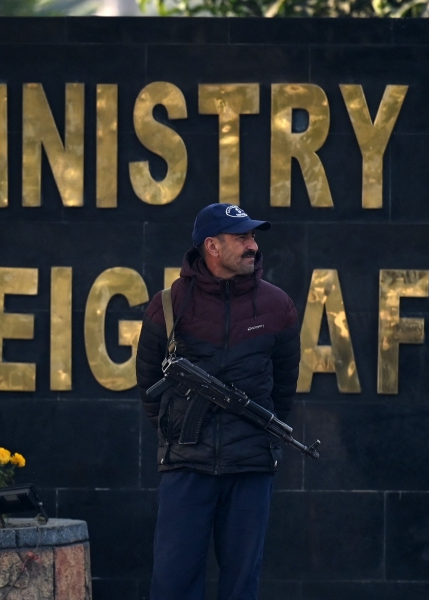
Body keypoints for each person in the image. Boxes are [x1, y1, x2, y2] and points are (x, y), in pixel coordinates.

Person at [135, 202, 301, 600]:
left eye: (253, 237)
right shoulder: (169, 303)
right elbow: (149, 384)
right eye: (241, 237)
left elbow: (283, 388)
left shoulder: (277, 306)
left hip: (250, 467)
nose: (253, 246)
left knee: (242, 585)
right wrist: (179, 432)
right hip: (185, 466)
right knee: (173, 583)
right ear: (211, 245)